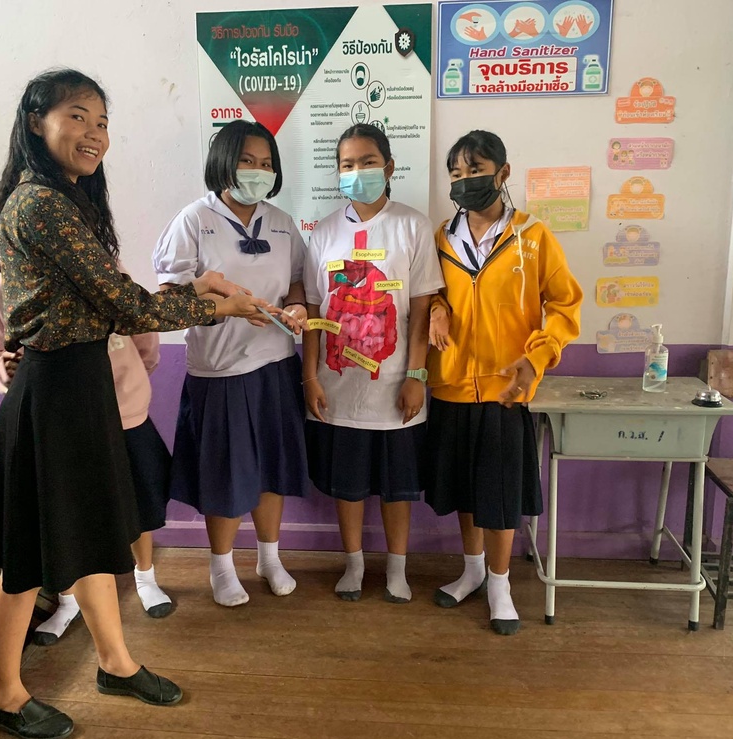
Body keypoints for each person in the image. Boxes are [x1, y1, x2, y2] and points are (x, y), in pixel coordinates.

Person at [0, 69, 272, 739]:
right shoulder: (39, 203)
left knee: (93, 540)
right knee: (27, 562)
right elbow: (125, 306)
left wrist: (199, 291)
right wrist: (213, 303)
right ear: (36, 122)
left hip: (83, 390)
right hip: (52, 396)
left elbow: (112, 298)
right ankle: (4, 694)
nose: (94, 133)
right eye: (77, 116)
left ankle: (115, 663)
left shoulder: (69, 201)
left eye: (103, 122)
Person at [0, 198, 178, 645]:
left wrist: (134, 381)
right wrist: (4, 370)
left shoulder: (102, 271)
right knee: (67, 517)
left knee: (137, 503)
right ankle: (68, 599)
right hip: (59, 425)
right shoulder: (4, 288)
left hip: (122, 415)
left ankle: (145, 576)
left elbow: (142, 330)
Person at [426, 130, 582, 634]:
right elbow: (431, 292)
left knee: (498, 495)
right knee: (465, 490)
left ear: (503, 173)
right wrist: (436, 310)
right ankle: (472, 571)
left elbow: (564, 306)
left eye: (475, 170)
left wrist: (537, 359)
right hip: (451, 385)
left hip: (505, 390)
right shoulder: (441, 238)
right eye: (456, 173)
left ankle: (500, 584)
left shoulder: (533, 237)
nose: (465, 181)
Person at [153, 120, 309, 607]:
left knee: (272, 468)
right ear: (223, 163)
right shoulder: (193, 221)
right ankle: (221, 567)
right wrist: (227, 307)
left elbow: (298, 281)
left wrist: (297, 307)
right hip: (219, 372)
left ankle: (269, 557)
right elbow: (169, 298)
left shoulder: (282, 222)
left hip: (276, 364)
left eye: (266, 164)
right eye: (247, 161)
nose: (257, 171)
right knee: (225, 475)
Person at [302, 124, 444, 603]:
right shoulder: (323, 232)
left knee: (397, 487)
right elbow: (314, 312)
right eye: (347, 164)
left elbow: (421, 311)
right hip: (337, 384)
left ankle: (397, 569)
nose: (357, 172)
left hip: (396, 382)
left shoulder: (413, 226)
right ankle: (354, 564)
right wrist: (309, 377)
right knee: (348, 485)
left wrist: (417, 376)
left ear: (389, 167)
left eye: (367, 162)